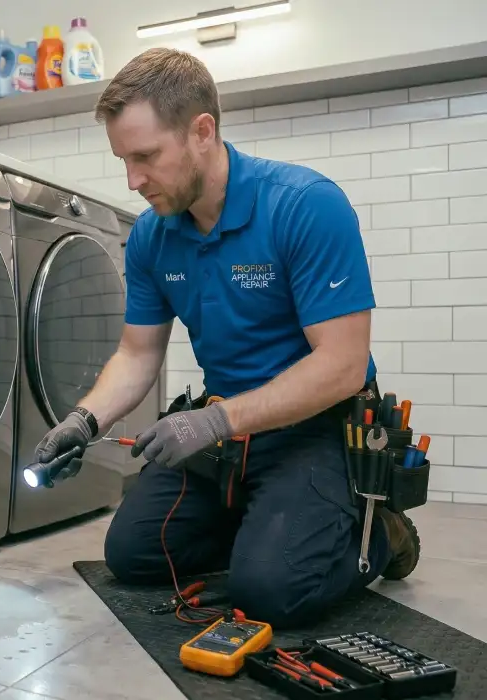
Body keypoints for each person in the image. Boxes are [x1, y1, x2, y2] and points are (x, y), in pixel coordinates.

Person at [33, 47, 420, 628]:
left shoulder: (304, 206)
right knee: (132, 556)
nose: (133, 180)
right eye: (124, 160)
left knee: (269, 592)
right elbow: (137, 354)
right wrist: (83, 422)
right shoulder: (151, 239)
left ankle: (382, 534)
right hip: (225, 435)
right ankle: (268, 532)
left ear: (202, 132)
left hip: (315, 431)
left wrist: (213, 423)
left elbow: (343, 364)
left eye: (145, 157)